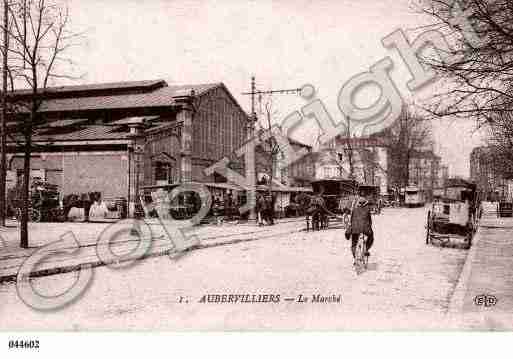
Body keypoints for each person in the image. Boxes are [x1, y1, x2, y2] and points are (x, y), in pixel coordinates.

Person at [346, 195, 374, 260]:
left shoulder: (354, 209)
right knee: (371, 237)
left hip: (355, 229)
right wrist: (369, 227)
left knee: (354, 244)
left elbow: (351, 220)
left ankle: (355, 257)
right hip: (365, 229)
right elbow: (370, 221)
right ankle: (366, 249)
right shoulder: (367, 209)